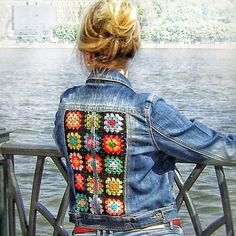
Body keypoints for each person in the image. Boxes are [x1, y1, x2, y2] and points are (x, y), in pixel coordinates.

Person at [53, 0, 236, 235]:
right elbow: (217, 148)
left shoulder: (67, 105)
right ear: (131, 49)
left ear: (87, 54)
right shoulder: (147, 109)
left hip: (86, 230)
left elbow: (66, 148)